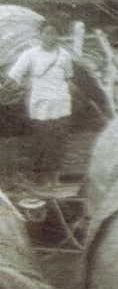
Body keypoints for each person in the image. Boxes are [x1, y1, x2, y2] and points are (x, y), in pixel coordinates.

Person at [6, 22, 76, 184]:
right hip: (40, 104)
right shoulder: (30, 55)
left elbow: (69, 77)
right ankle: (40, 176)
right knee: (41, 140)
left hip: (61, 103)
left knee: (59, 140)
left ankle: (55, 177)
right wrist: (13, 87)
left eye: (54, 34)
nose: (51, 38)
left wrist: (68, 91)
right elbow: (14, 76)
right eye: (47, 33)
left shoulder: (64, 54)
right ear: (40, 36)